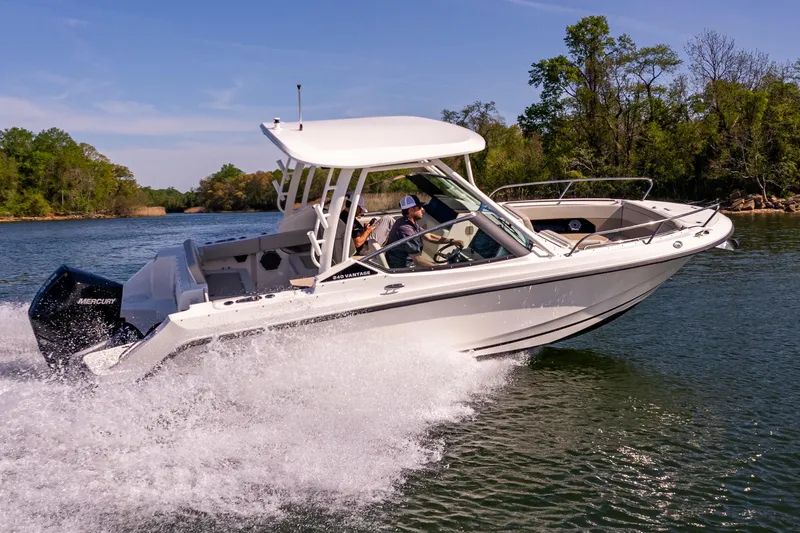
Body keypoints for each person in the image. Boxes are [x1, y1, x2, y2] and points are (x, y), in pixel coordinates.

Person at [384, 195, 462, 269]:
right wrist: (439, 268)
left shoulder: (407, 222)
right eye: (419, 207)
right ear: (411, 210)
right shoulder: (406, 230)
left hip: (406, 263)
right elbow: (417, 259)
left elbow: (429, 236)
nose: (422, 209)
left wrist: (452, 241)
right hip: (402, 267)